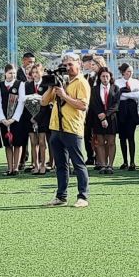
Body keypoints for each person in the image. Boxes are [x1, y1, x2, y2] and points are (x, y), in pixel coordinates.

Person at [43, 57, 90, 208]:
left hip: (72, 128)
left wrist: (64, 95)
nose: (68, 67)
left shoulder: (81, 82)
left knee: (78, 164)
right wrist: (51, 86)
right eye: (65, 65)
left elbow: (83, 105)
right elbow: (44, 102)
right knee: (61, 165)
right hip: (56, 127)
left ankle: (83, 196)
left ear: (79, 65)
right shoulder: (62, 82)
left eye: (71, 64)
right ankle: (61, 196)